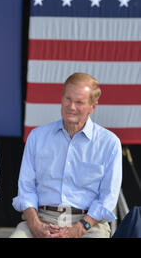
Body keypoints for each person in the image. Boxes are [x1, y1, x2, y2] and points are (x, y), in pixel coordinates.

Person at [11, 72, 122, 238]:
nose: (71, 107)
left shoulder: (109, 143)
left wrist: (79, 228)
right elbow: (26, 189)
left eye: (79, 102)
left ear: (93, 107)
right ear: (61, 99)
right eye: (68, 99)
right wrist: (35, 225)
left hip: (89, 224)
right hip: (41, 218)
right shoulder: (37, 137)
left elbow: (108, 198)